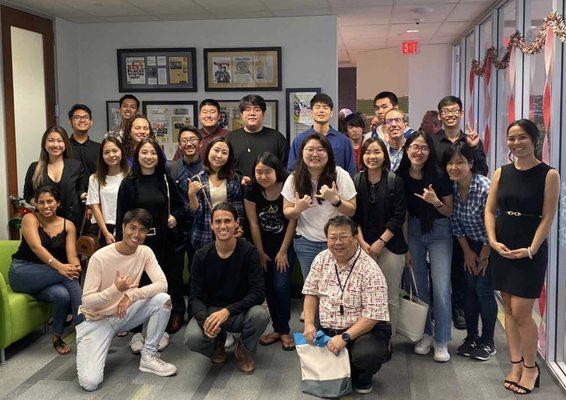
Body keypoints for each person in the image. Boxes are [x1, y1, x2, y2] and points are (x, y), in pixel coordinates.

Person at [485, 119, 559, 394]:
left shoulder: (548, 174)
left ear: (534, 139)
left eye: (521, 138)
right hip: (503, 246)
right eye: (511, 138)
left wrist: (532, 249)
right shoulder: (501, 172)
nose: (516, 143)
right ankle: (515, 363)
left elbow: (548, 216)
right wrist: (492, 241)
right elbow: (490, 210)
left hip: (529, 250)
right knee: (508, 310)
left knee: (522, 313)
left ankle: (531, 367)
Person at [76, 208, 177, 391]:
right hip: (97, 320)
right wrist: (115, 289)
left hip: (123, 314)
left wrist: (131, 295)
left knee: (163, 299)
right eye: (132, 227)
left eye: (143, 230)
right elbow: (87, 301)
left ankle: (149, 356)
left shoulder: (145, 252)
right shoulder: (100, 257)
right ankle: (91, 343)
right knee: (90, 383)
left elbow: (162, 284)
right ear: (123, 227)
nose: (137, 235)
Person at [302, 216, 391, 394]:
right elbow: (311, 293)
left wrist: (344, 337)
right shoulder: (321, 259)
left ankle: (363, 375)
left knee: (366, 355)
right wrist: (309, 324)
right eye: (332, 237)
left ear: (355, 236)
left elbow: (372, 316)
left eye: (343, 237)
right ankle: (342, 366)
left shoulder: (370, 269)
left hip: (363, 331)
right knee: (323, 375)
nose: (338, 242)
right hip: (328, 328)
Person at [116, 138, 185, 351]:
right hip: (136, 243)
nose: (149, 157)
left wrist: (174, 217)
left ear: (159, 157)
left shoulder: (165, 180)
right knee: (137, 285)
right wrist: (124, 247)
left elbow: (182, 208)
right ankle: (136, 333)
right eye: (144, 153)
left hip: (163, 242)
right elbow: (121, 219)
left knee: (162, 286)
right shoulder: (128, 183)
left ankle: (159, 331)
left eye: (153, 153)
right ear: (137, 156)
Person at [185, 202, 269, 374]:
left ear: (236, 223)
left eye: (227, 221)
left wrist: (228, 311)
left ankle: (243, 349)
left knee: (260, 315)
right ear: (211, 225)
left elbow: (258, 294)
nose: (223, 226)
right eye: (218, 221)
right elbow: (194, 297)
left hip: (239, 311)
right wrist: (205, 321)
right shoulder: (201, 255)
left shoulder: (249, 252)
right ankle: (218, 342)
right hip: (211, 311)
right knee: (192, 338)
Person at [396, 131, 454, 362]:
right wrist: (406, 247)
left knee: (441, 289)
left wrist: (435, 201)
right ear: (407, 149)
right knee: (419, 288)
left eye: (424, 148)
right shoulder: (400, 176)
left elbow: (449, 211)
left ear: (429, 151)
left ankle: (442, 340)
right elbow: (403, 216)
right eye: (414, 147)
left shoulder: (438, 175)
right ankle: (426, 335)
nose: (419, 152)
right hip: (414, 233)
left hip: (440, 230)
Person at [433, 95, 489, 331]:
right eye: (446, 111)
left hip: (470, 213)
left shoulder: (471, 141)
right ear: (440, 115)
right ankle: (456, 309)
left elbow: (482, 169)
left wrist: (475, 149)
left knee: (475, 274)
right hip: (445, 208)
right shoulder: (434, 141)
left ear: (461, 112)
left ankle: (469, 315)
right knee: (454, 265)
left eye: (455, 110)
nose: (450, 114)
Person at [9, 185, 83, 355]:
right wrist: (62, 268)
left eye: (50, 201)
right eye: (41, 202)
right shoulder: (30, 219)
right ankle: (85, 329)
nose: (46, 206)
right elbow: (36, 248)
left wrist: (75, 265)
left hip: (47, 276)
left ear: (58, 203)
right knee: (68, 276)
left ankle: (56, 336)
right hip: (22, 273)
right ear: (37, 205)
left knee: (62, 295)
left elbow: (71, 255)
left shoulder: (68, 225)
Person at [444, 143, 497, 362]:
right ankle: (472, 337)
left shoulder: (485, 186)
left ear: (471, 164)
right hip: (468, 245)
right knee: (469, 290)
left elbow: (494, 221)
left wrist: (484, 252)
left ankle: (488, 341)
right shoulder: (453, 189)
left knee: (484, 291)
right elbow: (455, 223)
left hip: (490, 245)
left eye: (460, 162)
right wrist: (467, 252)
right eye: (450, 163)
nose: (454, 167)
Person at [282, 133, 356, 281]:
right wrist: (298, 209)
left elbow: (352, 210)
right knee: (311, 289)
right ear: (302, 152)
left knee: (337, 287)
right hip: (306, 243)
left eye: (320, 150)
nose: (315, 154)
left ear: (328, 153)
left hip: (337, 242)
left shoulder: (340, 175)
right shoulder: (294, 178)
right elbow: (287, 212)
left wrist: (335, 200)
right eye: (310, 149)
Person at [354, 137, 407, 336]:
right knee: (363, 295)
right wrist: (362, 242)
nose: (372, 156)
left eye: (376, 152)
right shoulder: (356, 180)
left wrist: (380, 242)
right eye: (367, 152)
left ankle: (387, 339)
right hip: (362, 247)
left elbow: (398, 216)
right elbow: (353, 215)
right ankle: (363, 336)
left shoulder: (395, 181)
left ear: (384, 155)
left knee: (389, 295)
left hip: (391, 247)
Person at [244, 152, 296, 351]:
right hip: (261, 247)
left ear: (277, 171)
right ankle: (277, 328)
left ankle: (284, 331)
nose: (263, 176)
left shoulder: (288, 186)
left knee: (281, 286)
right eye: (259, 172)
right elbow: (253, 223)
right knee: (268, 289)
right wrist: (259, 252)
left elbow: (293, 220)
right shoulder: (251, 189)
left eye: (268, 171)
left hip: (284, 245)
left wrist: (283, 251)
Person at [166, 126, 203, 331]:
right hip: (177, 228)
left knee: (198, 270)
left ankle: (196, 311)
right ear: (179, 145)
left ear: (200, 143)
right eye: (184, 140)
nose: (188, 143)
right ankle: (177, 312)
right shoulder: (171, 168)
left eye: (192, 139)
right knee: (175, 272)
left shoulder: (207, 167)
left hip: (201, 228)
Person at [23, 125, 88, 229]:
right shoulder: (34, 167)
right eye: (51, 140)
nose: (55, 144)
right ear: (44, 144)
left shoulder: (76, 165)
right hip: (43, 222)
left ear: (65, 144)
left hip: (71, 222)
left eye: (60, 140)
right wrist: (43, 206)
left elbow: (80, 190)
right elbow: (27, 196)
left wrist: (85, 196)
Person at [188, 136, 245, 251]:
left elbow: (238, 209)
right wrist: (191, 195)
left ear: (229, 157)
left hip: (228, 235)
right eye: (216, 150)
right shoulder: (197, 179)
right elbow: (195, 214)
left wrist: (239, 227)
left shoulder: (234, 179)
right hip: (204, 235)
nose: (219, 156)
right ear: (208, 151)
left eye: (224, 153)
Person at [288, 94, 356, 175]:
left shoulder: (343, 141)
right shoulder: (299, 140)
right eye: (317, 107)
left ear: (331, 113)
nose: (321, 110)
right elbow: (293, 170)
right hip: (307, 186)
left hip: (336, 186)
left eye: (325, 107)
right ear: (311, 112)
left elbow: (351, 171)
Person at [226, 94, 289, 178]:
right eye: (247, 110)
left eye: (257, 109)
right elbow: (224, 167)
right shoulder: (230, 138)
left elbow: (285, 168)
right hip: (238, 189)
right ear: (241, 114)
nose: (252, 113)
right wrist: (239, 179)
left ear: (263, 113)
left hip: (269, 189)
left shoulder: (277, 138)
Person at [86, 137, 129, 246]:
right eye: (106, 152)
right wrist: (106, 233)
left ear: (121, 152)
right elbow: (95, 207)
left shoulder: (130, 176)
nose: (111, 155)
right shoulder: (95, 179)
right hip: (103, 229)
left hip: (127, 227)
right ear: (102, 156)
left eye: (115, 151)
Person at [68, 104, 100, 177]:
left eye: (86, 117)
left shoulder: (99, 148)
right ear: (70, 121)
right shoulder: (64, 147)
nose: (82, 120)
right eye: (77, 117)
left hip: (94, 188)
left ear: (91, 122)